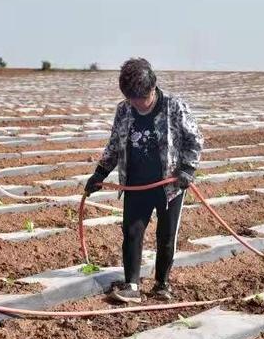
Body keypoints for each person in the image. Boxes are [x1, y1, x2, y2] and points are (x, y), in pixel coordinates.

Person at [84, 58, 203, 303]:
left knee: (166, 235)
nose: (137, 104)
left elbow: (195, 140)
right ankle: (132, 285)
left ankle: (162, 284)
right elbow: (115, 145)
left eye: (141, 98)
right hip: (136, 183)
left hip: (169, 185)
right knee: (131, 231)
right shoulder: (124, 110)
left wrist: (187, 170)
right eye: (132, 98)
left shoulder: (174, 107)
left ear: (152, 89)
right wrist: (100, 173)